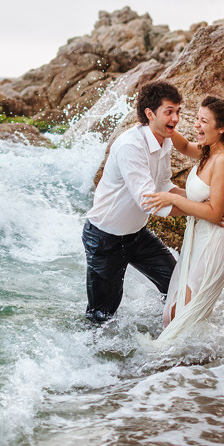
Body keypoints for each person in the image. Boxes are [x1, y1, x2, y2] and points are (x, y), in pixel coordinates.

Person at [142, 96, 224, 342]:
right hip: (197, 238)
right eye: (196, 119)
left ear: (221, 128)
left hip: (212, 243)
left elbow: (214, 213)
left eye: (203, 121)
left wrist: (174, 199)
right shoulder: (208, 151)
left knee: (182, 317)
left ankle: (197, 370)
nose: (196, 125)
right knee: (172, 316)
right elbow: (182, 146)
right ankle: (188, 373)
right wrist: (164, 124)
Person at [82, 80, 186, 323]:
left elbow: (163, 186)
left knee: (175, 283)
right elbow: (149, 202)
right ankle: (97, 359)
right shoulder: (131, 146)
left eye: (178, 111)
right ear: (150, 114)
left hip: (136, 235)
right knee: (101, 316)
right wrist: (201, 210)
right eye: (169, 111)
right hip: (104, 239)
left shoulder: (164, 139)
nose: (176, 118)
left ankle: (168, 334)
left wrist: (202, 199)